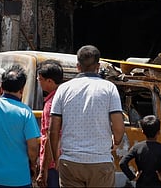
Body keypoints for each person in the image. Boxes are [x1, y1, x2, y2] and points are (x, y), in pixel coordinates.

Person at [49, 45, 124, 187]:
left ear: (78, 66)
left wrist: (56, 158)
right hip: (100, 161)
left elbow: (53, 130)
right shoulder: (109, 88)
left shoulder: (63, 89)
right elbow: (118, 126)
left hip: (70, 162)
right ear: (98, 66)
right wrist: (116, 142)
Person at [119, 115, 161, 187]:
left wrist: (132, 177)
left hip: (141, 184)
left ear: (142, 131)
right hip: (157, 184)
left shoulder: (137, 147)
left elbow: (122, 163)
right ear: (158, 132)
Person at [37, 60, 63, 188]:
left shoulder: (51, 104)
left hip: (52, 163)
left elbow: (50, 136)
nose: (38, 81)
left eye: (40, 79)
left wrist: (43, 170)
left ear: (50, 81)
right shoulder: (65, 98)